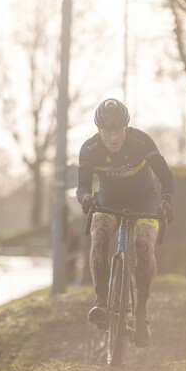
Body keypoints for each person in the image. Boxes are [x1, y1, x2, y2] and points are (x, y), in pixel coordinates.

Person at [76, 98, 174, 348]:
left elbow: (165, 176)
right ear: (99, 131)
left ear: (126, 128)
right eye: (107, 132)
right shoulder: (89, 150)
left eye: (118, 130)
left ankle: (140, 313)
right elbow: (83, 187)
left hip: (145, 199)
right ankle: (100, 302)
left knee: (143, 243)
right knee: (98, 234)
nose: (113, 138)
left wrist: (167, 200)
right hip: (109, 200)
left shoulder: (142, 141)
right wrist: (87, 198)